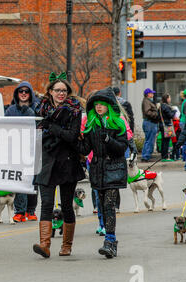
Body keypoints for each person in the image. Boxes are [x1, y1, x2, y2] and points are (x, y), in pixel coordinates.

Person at [32, 72, 85, 258]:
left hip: (67, 162)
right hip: (47, 162)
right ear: (50, 92)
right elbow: (36, 134)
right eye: (57, 90)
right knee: (46, 204)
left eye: (64, 91)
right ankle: (45, 244)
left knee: (67, 206)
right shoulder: (40, 110)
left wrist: (53, 128)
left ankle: (67, 245)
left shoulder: (75, 110)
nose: (61, 94)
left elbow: (72, 136)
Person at [78, 87, 128, 259]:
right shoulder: (91, 125)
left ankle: (109, 240)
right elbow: (85, 149)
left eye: (102, 104)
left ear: (109, 106)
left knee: (109, 205)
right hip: (97, 169)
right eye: (96, 105)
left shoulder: (118, 123)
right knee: (102, 206)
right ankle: (111, 242)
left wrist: (109, 139)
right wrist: (76, 139)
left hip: (114, 168)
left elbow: (122, 148)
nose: (98, 107)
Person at [5, 81, 39, 222]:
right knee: (19, 181)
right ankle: (20, 212)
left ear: (30, 93)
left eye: (26, 91)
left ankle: (31, 211)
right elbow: (5, 129)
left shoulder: (37, 108)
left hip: (33, 151)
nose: (23, 93)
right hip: (16, 151)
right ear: (17, 93)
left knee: (32, 182)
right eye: (21, 91)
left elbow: (41, 128)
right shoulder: (10, 110)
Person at [141, 88, 160, 162]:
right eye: (151, 93)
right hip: (150, 122)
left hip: (150, 122)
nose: (153, 94)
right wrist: (156, 113)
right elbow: (147, 112)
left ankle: (146, 155)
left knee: (148, 139)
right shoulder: (146, 101)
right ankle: (146, 156)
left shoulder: (148, 101)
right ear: (148, 94)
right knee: (149, 140)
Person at [158, 93, 176, 162]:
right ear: (167, 99)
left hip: (162, 125)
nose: (170, 99)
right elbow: (170, 115)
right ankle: (165, 156)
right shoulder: (165, 106)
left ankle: (163, 156)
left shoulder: (161, 106)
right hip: (166, 125)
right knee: (166, 141)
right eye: (169, 98)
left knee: (164, 141)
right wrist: (174, 111)